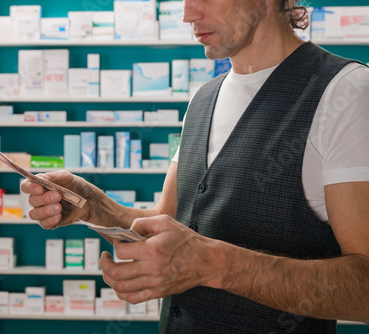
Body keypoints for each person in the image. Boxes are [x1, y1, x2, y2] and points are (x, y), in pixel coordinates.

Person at [21, 0, 369, 332]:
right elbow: (168, 222)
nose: (188, 14)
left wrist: (212, 264)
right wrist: (94, 206)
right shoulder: (203, 99)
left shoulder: (345, 92)